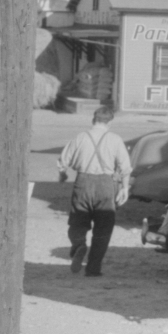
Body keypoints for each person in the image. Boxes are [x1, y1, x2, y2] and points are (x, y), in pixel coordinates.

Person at [57, 105, 132, 276]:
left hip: (83, 182)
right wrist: (124, 189)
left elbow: (63, 162)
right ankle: (93, 268)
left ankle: (78, 244)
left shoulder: (80, 137)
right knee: (103, 229)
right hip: (106, 185)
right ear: (109, 123)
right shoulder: (115, 139)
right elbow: (125, 168)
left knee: (77, 222)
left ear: (93, 120)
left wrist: (62, 176)